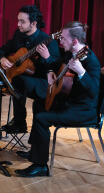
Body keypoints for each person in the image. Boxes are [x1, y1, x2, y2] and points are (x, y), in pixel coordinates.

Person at [15, 21, 101, 177]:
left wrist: (82, 72)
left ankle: (40, 166)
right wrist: (49, 73)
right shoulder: (70, 54)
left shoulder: (91, 61)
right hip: (69, 103)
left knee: (42, 118)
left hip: (83, 110)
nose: (60, 42)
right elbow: (53, 65)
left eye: (64, 39)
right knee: (38, 105)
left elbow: (94, 93)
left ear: (75, 41)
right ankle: (36, 151)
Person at [0, 5, 60, 140]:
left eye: (22, 21)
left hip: (40, 83)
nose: (18, 24)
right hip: (19, 79)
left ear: (34, 23)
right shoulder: (18, 35)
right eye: (18, 20)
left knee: (19, 81)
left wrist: (47, 57)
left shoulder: (48, 41)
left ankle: (19, 122)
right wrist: (2, 58)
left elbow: (55, 66)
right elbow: (3, 49)